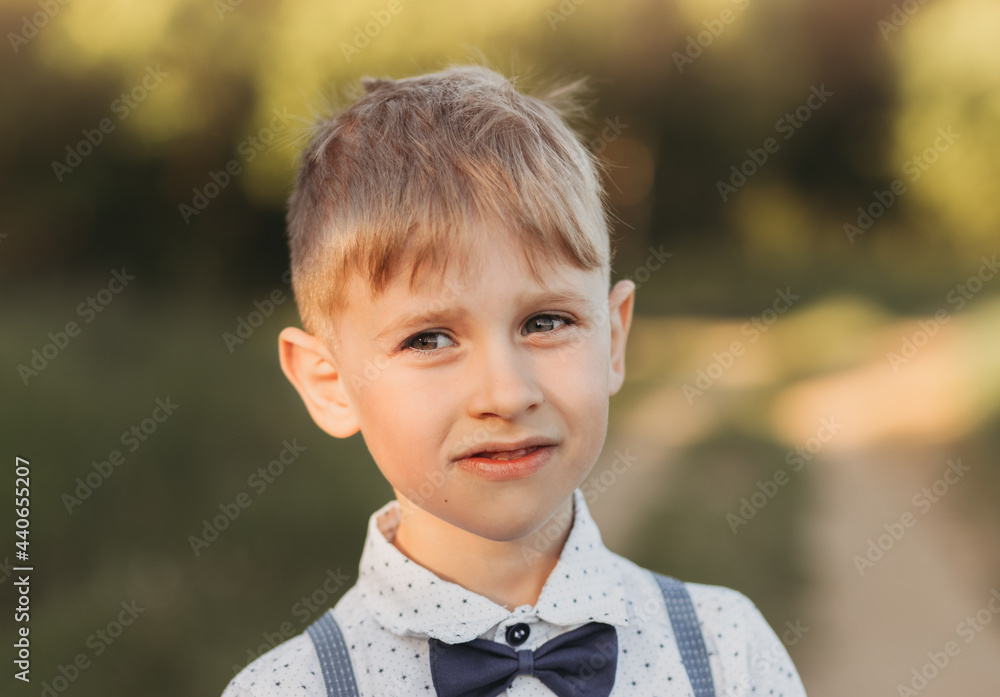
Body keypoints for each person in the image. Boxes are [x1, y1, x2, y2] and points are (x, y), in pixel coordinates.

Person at [220, 61, 807, 697]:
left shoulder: (725, 651)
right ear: (329, 383)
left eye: (546, 322)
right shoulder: (285, 689)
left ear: (613, 339)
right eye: (430, 338)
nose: (506, 394)